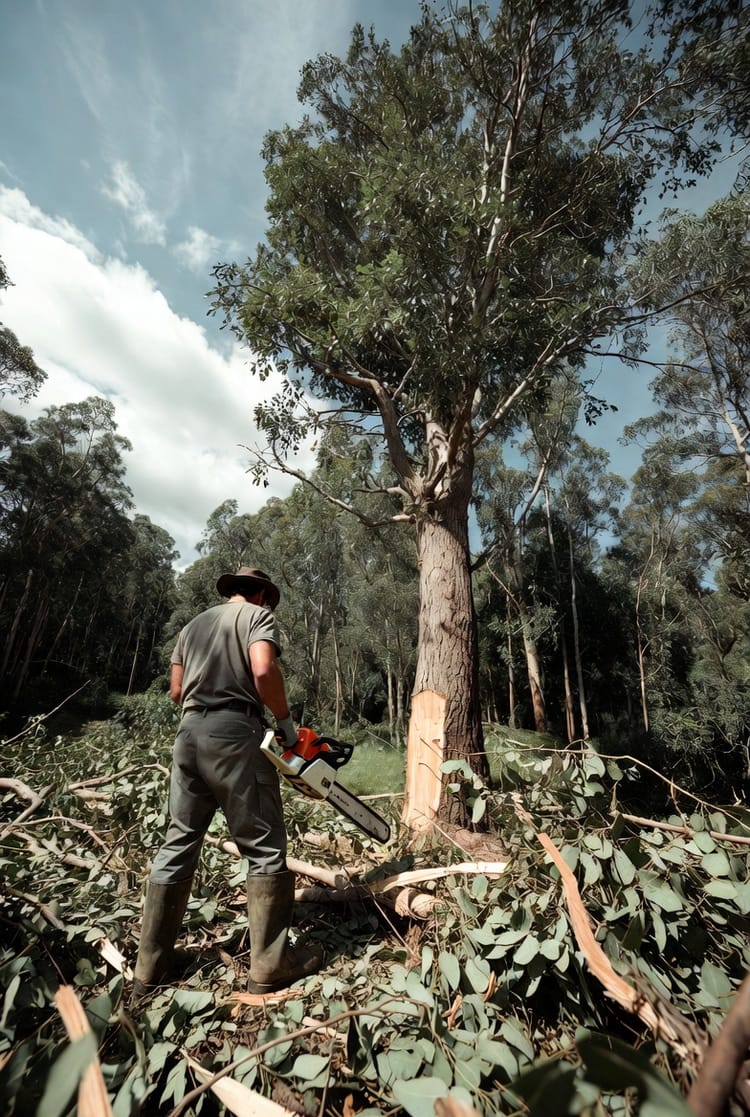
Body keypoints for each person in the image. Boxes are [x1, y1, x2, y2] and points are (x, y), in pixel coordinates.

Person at [132, 566, 322, 998]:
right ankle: (270, 964)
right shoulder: (256, 618)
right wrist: (287, 727)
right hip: (235, 733)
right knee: (264, 843)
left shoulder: (191, 627)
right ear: (260, 595)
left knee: (179, 838)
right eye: (267, 599)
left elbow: (176, 692)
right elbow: (262, 670)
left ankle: (150, 967)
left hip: (188, 735)